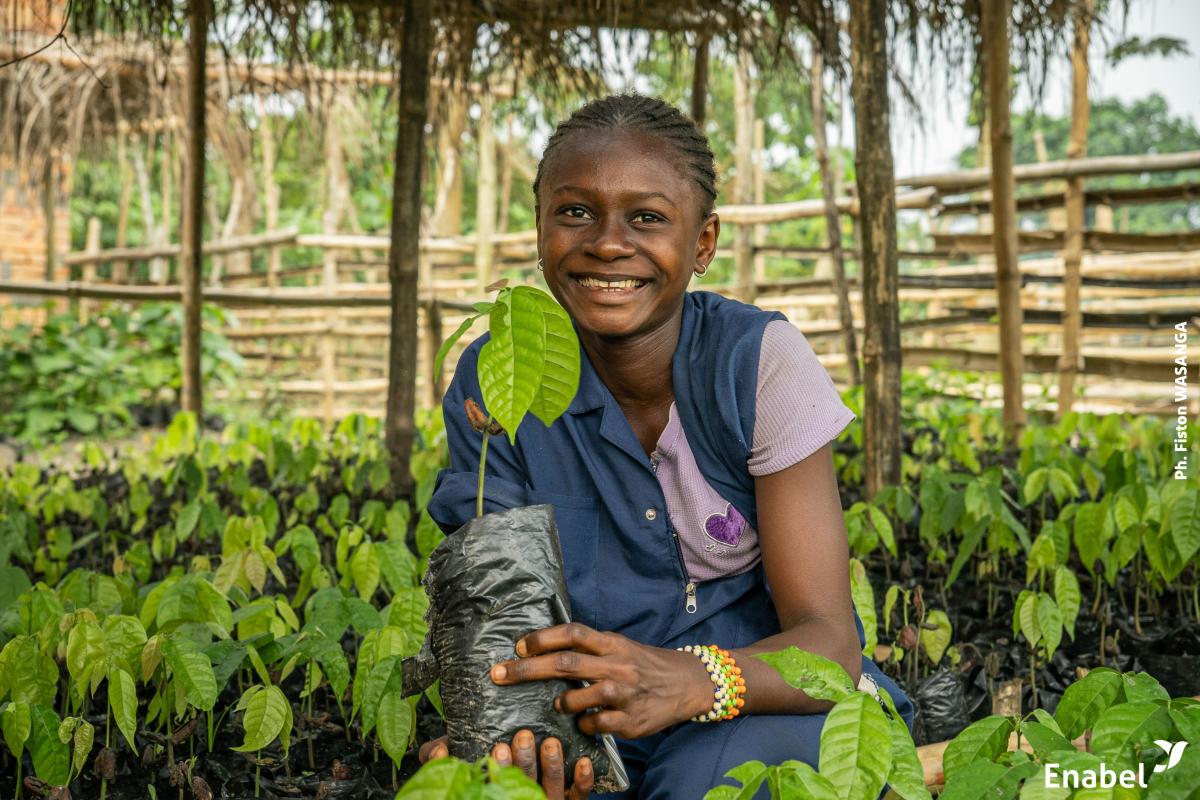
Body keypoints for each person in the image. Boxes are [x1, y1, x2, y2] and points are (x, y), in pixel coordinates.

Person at [422, 93, 914, 799]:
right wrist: (516, 733)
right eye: (575, 212)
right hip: (594, 715)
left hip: (765, 701)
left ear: (704, 243)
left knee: (710, 786)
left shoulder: (759, 364)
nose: (608, 243)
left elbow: (828, 644)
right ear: (539, 227)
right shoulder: (502, 378)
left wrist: (686, 681)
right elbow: (499, 613)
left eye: (647, 218)